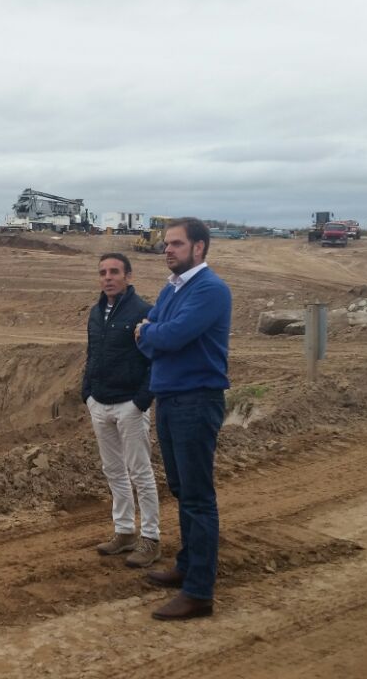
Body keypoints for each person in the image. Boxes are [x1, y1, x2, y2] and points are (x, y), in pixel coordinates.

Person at [135, 217, 232, 621]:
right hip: (170, 398)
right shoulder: (171, 288)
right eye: (165, 244)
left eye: (176, 244)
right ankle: (188, 565)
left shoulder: (210, 290)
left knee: (197, 497)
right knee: (180, 489)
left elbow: (166, 335)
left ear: (199, 248)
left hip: (196, 400)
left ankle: (199, 592)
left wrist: (152, 333)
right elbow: (147, 339)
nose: (167, 250)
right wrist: (153, 334)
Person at [81, 252, 160, 568]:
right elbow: (92, 354)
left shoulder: (145, 312)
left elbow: (156, 360)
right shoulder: (95, 313)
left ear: (128, 276)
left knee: (140, 472)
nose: (107, 277)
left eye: (114, 272)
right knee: (112, 470)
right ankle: (124, 531)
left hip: (129, 404)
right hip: (99, 403)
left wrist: (141, 400)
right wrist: (87, 393)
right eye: (102, 272)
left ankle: (151, 539)